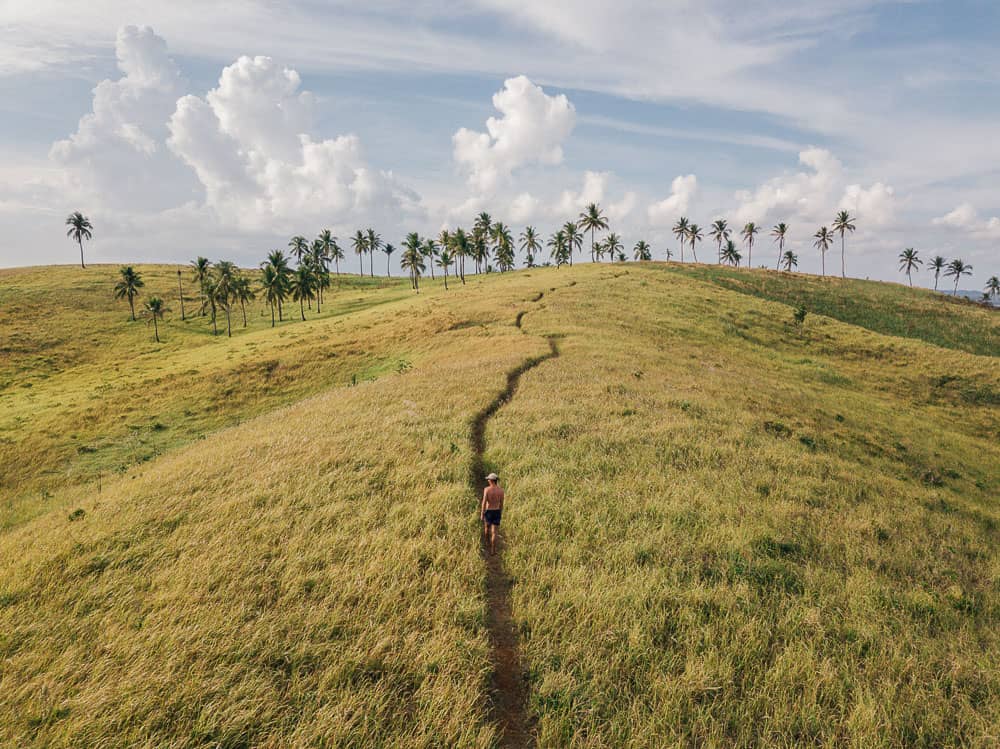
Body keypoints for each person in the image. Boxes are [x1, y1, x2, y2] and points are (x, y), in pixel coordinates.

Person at [480, 472, 505, 556]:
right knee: (494, 532)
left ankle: (487, 543)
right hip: (497, 511)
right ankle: (493, 550)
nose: (488, 481)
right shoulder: (501, 491)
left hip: (489, 511)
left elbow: (484, 502)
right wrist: (500, 512)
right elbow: (501, 503)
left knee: (487, 528)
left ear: (491, 480)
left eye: (488, 480)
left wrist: (482, 513)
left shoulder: (487, 489)